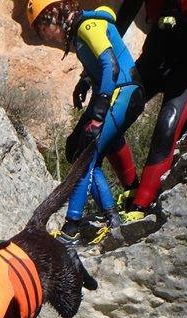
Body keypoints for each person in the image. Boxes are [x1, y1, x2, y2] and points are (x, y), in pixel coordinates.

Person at [26, 1, 144, 245]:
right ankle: (112, 220)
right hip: (117, 93)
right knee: (79, 152)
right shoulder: (78, 33)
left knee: (85, 158)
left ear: (52, 16)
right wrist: (84, 82)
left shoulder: (86, 25)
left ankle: (71, 229)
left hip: (122, 92)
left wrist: (99, 110)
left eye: (41, 29)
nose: (44, 37)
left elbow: (109, 63)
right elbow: (98, 64)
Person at [114, 0, 187, 223]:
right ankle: (132, 189)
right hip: (155, 58)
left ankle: (141, 205)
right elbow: (124, 16)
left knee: (166, 127)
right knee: (112, 116)